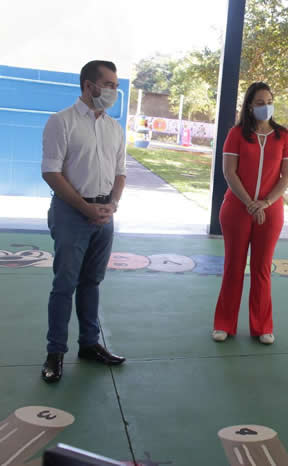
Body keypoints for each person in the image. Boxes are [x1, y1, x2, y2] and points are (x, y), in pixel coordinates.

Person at [40, 60, 127, 383]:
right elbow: (51, 172)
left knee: (92, 281)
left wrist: (111, 204)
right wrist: (84, 207)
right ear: (89, 86)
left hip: (104, 214)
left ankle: (89, 344)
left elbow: (120, 172)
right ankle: (55, 353)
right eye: (109, 85)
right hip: (70, 212)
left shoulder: (114, 128)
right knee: (65, 284)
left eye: (116, 85)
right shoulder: (61, 122)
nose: (114, 91)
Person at [212, 82, 288, 345]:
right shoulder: (236, 134)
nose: (265, 106)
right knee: (233, 267)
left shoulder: (284, 136)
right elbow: (229, 172)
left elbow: (286, 177)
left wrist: (265, 203)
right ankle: (224, 323)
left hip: (270, 212)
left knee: (262, 268)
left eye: (269, 101)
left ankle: (262, 326)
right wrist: (249, 203)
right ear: (249, 106)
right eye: (260, 102)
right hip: (236, 209)